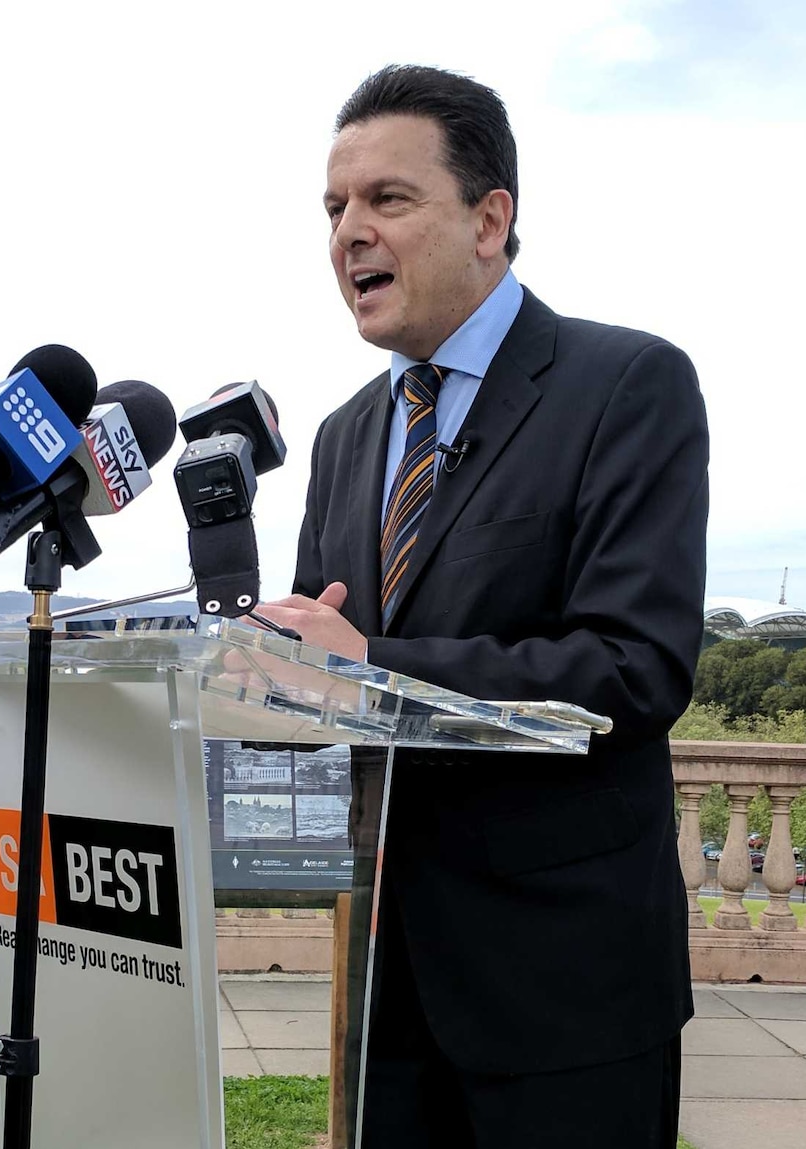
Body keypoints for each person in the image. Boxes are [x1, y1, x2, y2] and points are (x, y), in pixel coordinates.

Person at [253, 64, 709, 1149]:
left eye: (387, 200)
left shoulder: (628, 385)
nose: (348, 233)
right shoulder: (345, 433)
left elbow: (633, 669)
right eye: (333, 209)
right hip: (383, 987)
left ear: (490, 219)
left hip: (564, 995)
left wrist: (369, 663)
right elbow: (332, 679)